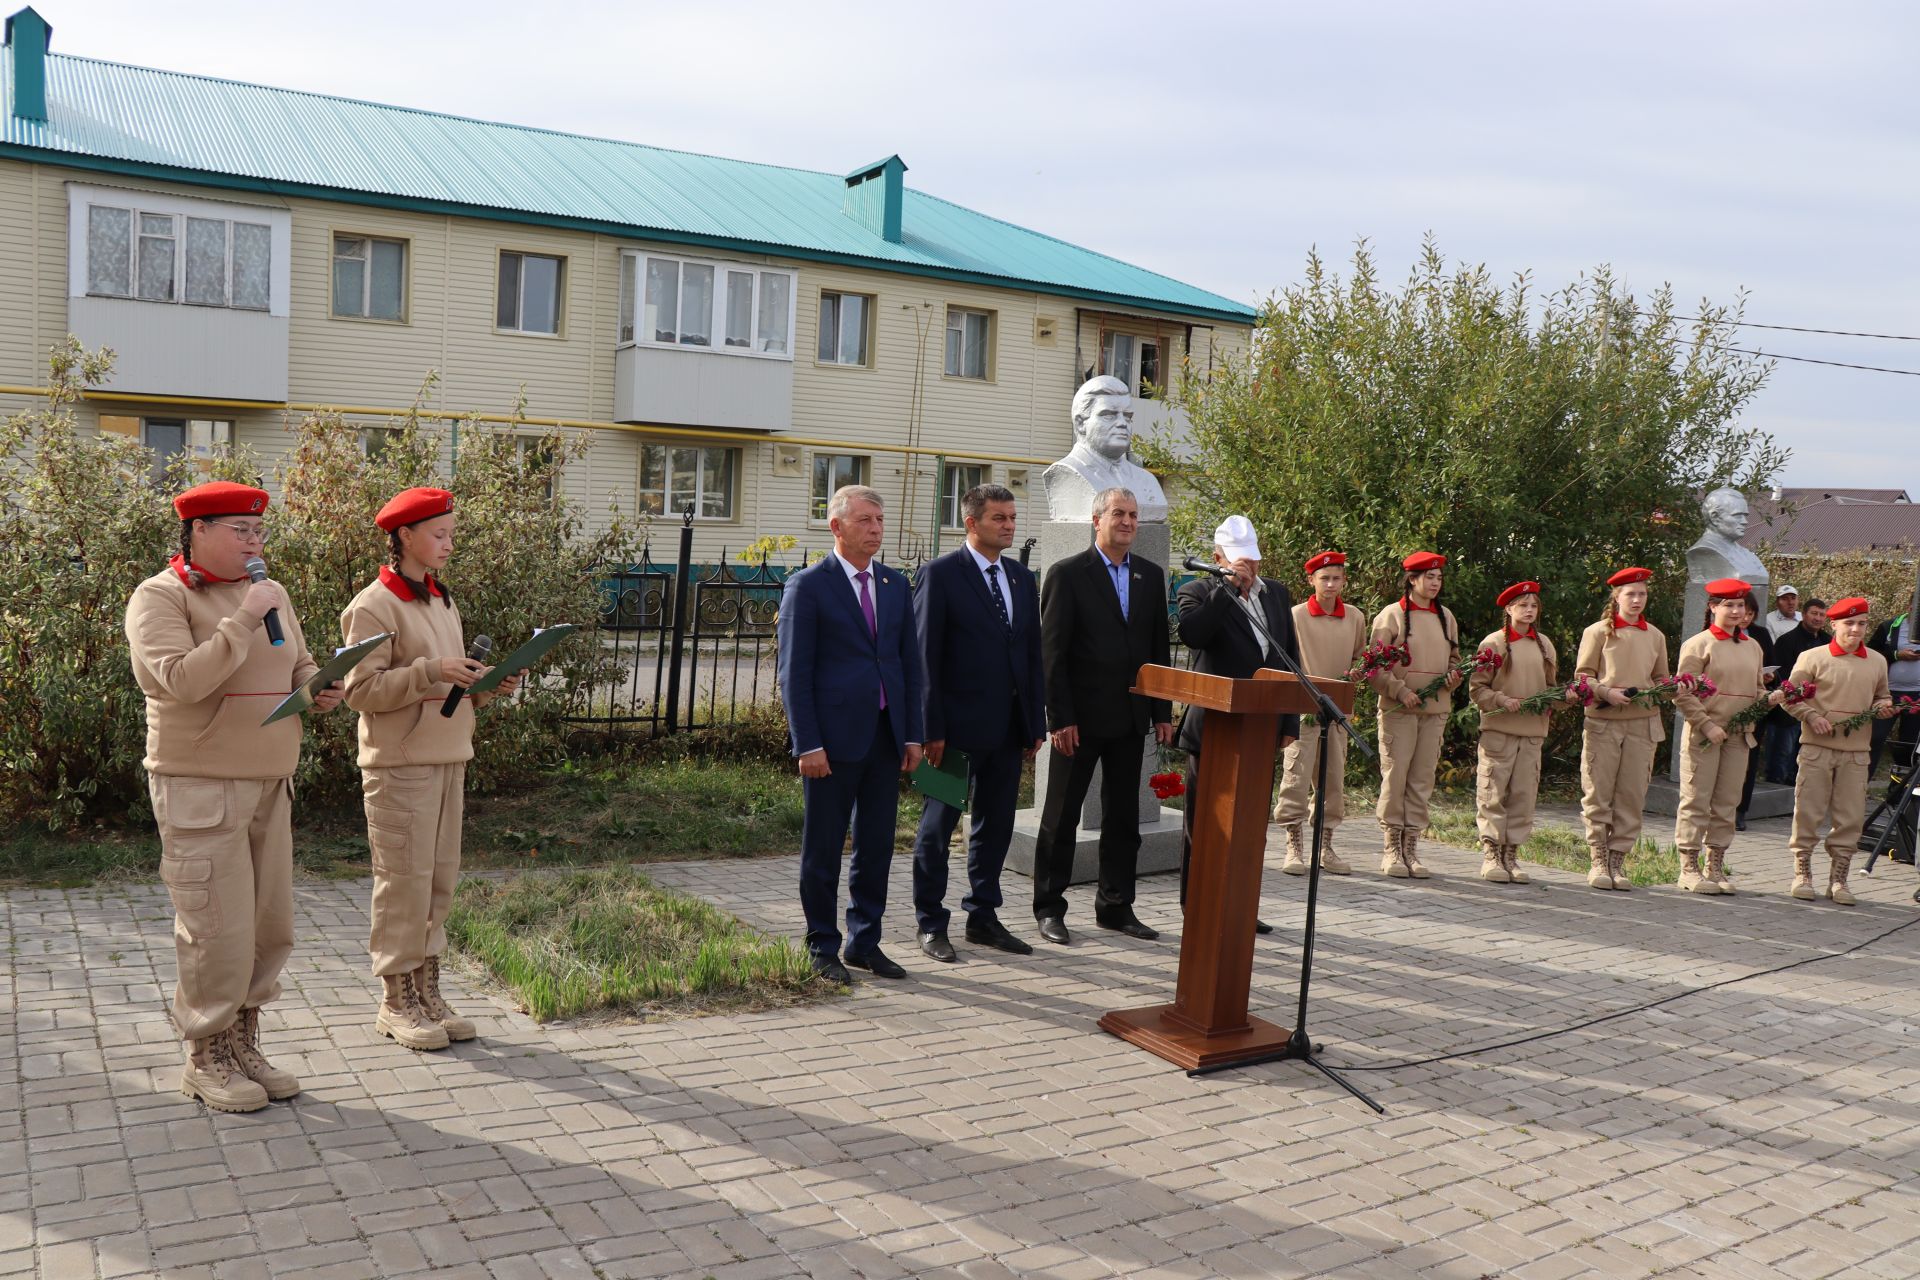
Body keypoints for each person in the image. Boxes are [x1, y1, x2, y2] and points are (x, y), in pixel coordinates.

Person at [126, 481, 344, 1113]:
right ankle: (205, 1055)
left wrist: (319, 686)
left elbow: (295, 664)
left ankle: (244, 1041)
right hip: (200, 785)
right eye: (240, 531)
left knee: (268, 927)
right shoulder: (159, 597)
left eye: (258, 532)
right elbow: (180, 682)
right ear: (198, 530)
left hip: (271, 778)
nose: (255, 543)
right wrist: (245, 616)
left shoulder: (267, 595)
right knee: (214, 928)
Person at [341, 487, 522, 1051]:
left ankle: (427, 991)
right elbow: (360, 691)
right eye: (438, 534)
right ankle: (396, 1001)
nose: (448, 544)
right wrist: (430, 669)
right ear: (404, 537)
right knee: (403, 883)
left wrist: (488, 685)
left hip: (448, 754)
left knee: (439, 879)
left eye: (450, 533)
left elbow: (449, 685)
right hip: (399, 765)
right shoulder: (374, 604)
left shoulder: (442, 600)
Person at [777, 486, 925, 982]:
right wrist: (808, 743)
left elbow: (908, 664)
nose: (876, 529)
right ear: (836, 527)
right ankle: (821, 945)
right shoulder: (809, 586)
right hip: (831, 743)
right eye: (865, 520)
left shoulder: (894, 584)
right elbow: (794, 673)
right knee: (823, 848)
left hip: (885, 738)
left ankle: (865, 942)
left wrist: (912, 735)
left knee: (877, 845)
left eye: (880, 520)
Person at [1030, 487, 1173, 944]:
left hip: (1131, 720)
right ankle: (1050, 907)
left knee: (1124, 819)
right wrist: (1059, 718)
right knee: (1061, 816)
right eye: (1118, 513)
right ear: (1097, 520)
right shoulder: (1069, 574)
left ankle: (1115, 906)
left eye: (1133, 515)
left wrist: (1162, 712)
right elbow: (1051, 653)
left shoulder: (1149, 576)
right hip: (1079, 721)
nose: (1128, 521)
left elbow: (1158, 650)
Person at [910, 484, 1045, 962]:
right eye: (999, 519)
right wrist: (930, 729)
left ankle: (983, 916)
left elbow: (1030, 655)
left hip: (1007, 731)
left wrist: (1034, 723)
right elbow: (924, 657)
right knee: (936, 827)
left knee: (996, 826)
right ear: (971, 523)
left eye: (1012, 517)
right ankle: (930, 923)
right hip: (952, 734)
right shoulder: (941, 575)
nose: (1009, 526)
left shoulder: (1020, 577)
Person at [1176, 515, 1300, 933]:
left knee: (1249, 826)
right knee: (1204, 826)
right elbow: (1192, 634)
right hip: (1214, 730)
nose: (1250, 572)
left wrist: (1289, 723)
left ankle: (1242, 905)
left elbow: (1289, 661)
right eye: (1239, 564)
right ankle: (1197, 906)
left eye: (1254, 563)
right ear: (1218, 559)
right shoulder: (1197, 590)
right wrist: (1227, 589)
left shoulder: (1278, 595)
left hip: (1261, 731)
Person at [1783, 597, 1894, 904]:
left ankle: (1839, 878)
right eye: (1849, 623)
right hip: (1817, 748)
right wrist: (1812, 716)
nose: (1856, 630)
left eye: (1861, 624)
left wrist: (1883, 707)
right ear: (1834, 625)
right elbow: (1789, 697)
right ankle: (1802, 872)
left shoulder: (1877, 660)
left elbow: (1881, 696)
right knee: (1809, 810)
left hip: (1857, 751)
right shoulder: (1812, 657)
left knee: (1850, 816)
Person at [1671, 578, 1770, 895]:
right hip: (1705, 735)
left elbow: (1757, 690)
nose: (1736, 611)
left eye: (1741, 605)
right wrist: (1706, 723)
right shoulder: (1699, 644)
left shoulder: (1753, 646)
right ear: (1713, 607)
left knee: (1727, 803)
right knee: (1696, 801)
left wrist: (1768, 699)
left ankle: (1715, 866)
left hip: (1739, 737)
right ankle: (1689, 867)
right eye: (1728, 604)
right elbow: (1682, 693)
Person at [1575, 567, 1670, 891]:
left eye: (1642, 594)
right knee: (1598, 794)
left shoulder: (1655, 636)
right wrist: (1606, 693)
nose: (1637, 600)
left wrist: (1672, 687)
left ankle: (1618, 860)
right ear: (1616, 596)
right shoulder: (1598, 632)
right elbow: (1583, 677)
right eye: (1631, 594)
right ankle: (1598, 859)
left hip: (1642, 725)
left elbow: (1661, 677)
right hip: (1603, 724)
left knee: (1631, 796)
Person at [1367, 551, 1461, 880]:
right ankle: (1391, 846)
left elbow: (1454, 658)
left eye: (1439, 578)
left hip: (1435, 710)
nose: (1435, 583)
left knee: (1422, 780)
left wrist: (1454, 676)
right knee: (1396, 777)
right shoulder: (1391, 616)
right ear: (1412, 579)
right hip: (1399, 711)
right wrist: (1399, 690)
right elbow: (1374, 667)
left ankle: (1412, 847)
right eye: (1429, 578)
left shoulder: (1446, 617)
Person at [1272, 550, 1365, 876]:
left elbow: (1360, 657)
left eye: (1336, 578)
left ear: (1344, 581)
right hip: (1303, 711)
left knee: (1332, 782)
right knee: (1296, 778)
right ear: (1311, 580)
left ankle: (1325, 846)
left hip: (1336, 713)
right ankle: (1293, 844)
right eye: (1324, 578)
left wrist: (1356, 672)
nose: (1330, 584)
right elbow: (1283, 660)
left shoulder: (1354, 616)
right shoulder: (1295, 615)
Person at [1468, 580, 1565, 885]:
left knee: (1523, 795)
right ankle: (1492, 854)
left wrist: (1562, 699)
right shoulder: (1493, 643)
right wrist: (1501, 700)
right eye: (1522, 605)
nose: (1529, 611)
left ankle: (1512, 854)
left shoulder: (1544, 645)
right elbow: (1477, 690)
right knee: (1493, 793)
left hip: (1532, 732)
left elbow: (1549, 687)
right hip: (1499, 731)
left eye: (1534, 606)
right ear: (1508, 609)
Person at [1766, 599, 1830, 784]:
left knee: (1803, 752)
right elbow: (1782, 675)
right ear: (1803, 614)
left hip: (1817, 705)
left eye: (1821, 614)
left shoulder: (1828, 641)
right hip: (1789, 704)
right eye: (1814, 613)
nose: (1818, 618)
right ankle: (1775, 785)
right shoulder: (1787, 640)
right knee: (1783, 749)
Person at [1733, 590, 1777, 832]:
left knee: (1749, 759)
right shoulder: (1710, 637)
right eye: (1741, 611)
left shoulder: (1760, 635)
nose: (1744, 618)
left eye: (1750, 613)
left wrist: (1770, 677)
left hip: (1754, 706)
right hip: (1725, 708)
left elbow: (1773, 665)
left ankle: (1741, 810)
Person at [1867, 584, 1920, 775]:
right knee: (1875, 738)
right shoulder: (1889, 626)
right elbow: (1870, 652)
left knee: (1909, 745)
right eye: (1916, 607)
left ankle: (1898, 794)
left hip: (1917, 696)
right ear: (1909, 607)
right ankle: (1861, 785)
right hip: (1888, 693)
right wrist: (1897, 654)